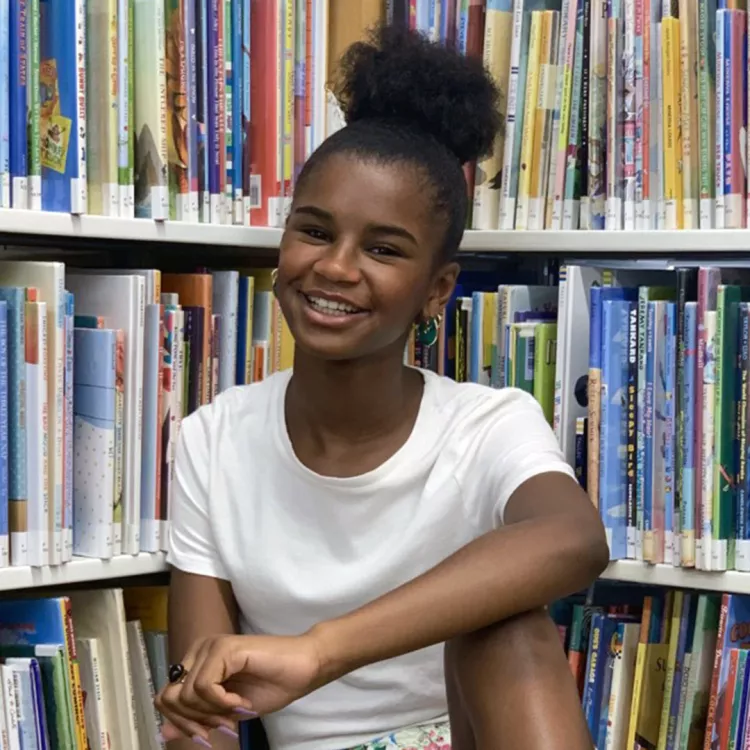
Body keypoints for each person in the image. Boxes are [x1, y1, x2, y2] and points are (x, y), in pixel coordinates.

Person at [156, 23, 609, 750]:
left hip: (472, 732)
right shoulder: (215, 438)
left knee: (505, 630)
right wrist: (190, 700)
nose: (335, 268)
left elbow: (574, 539)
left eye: (382, 248)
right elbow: (198, 691)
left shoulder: (487, 425)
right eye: (314, 231)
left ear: (437, 290)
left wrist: (320, 650)